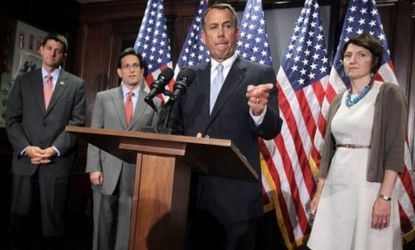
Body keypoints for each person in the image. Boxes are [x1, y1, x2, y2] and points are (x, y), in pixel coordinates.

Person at [169, 3, 282, 250]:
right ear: (203, 37)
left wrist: (259, 110)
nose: (220, 33)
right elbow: (173, 127)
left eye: (227, 26)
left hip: (236, 199)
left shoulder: (259, 73)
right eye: (214, 27)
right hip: (190, 195)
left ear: (237, 33)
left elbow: (273, 129)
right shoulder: (189, 76)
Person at [307, 33, 407, 250]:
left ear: (374, 61)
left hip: (370, 187)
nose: (353, 60)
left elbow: (395, 151)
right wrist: (319, 192)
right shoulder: (338, 99)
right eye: (348, 55)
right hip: (336, 183)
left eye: (362, 55)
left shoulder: (389, 93)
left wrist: (384, 198)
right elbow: (329, 151)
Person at [5, 33, 86, 249]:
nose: (52, 53)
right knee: (19, 224)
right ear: (41, 49)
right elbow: (11, 120)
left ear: (64, 56)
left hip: (56, 165)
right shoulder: (23, 81)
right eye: (49, 47)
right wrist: (26, 148)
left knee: (52, 227)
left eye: (58, 50)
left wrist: (54, 149)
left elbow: (77, 123)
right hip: (25, 162)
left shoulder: (76, 85)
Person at [86, 48, 161, 250]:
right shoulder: (104, 97)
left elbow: (154, 140)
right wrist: (94, 167)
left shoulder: (154, 102)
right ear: (119, 72)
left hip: (135, 172)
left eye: (135, 66)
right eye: (126, 66)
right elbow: (95, 134)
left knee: (128, 225)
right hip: (105, 170)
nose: (131, 70)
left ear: (142, 70)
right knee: (102, 222)